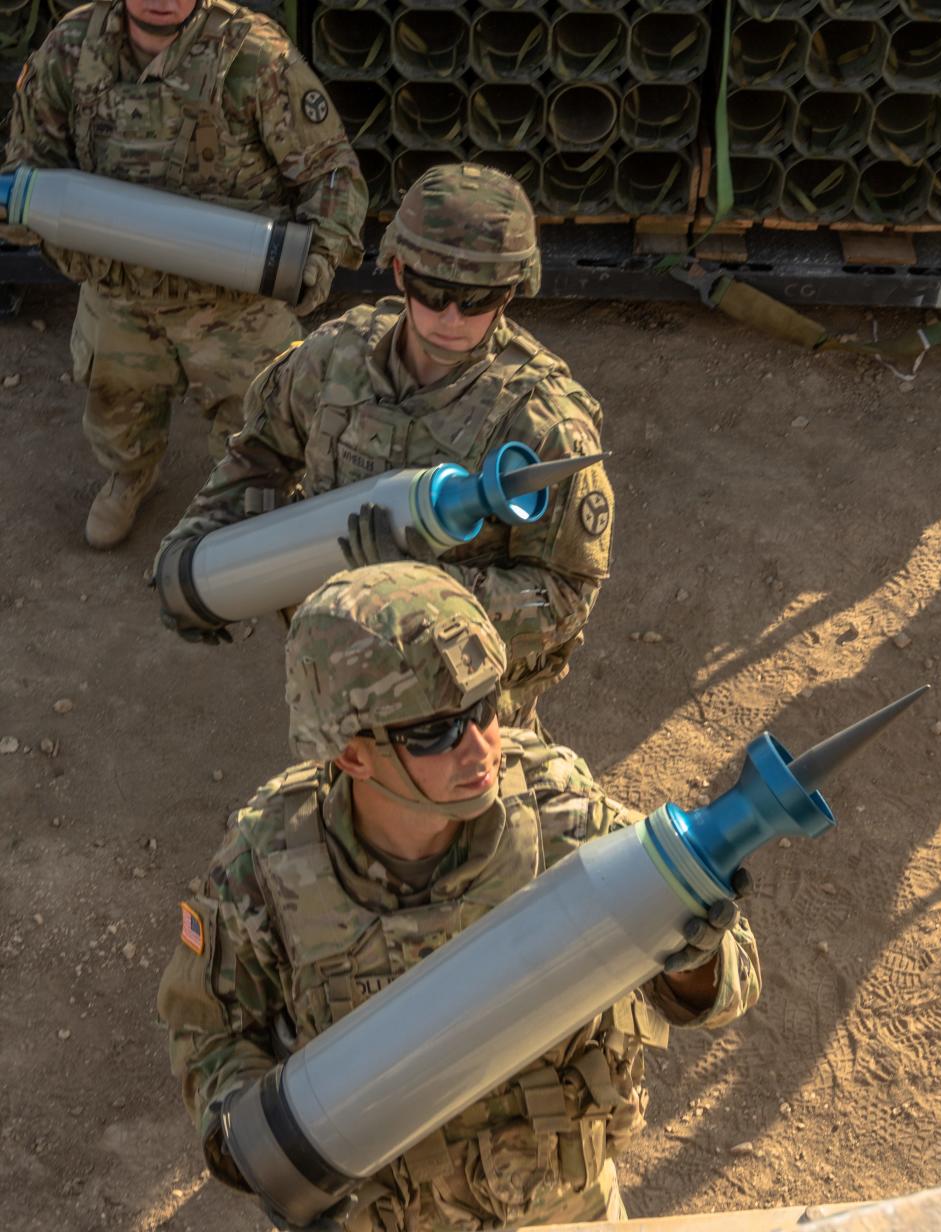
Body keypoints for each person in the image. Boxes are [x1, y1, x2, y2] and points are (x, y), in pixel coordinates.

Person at [158, 561, 761, 1232]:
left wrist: (694, 960)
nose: (480, 747)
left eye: (483, 708)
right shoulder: (265, 866)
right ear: (352, 756)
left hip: (562, 1205)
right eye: (435, 732)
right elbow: (207, 1031)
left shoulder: (558, 809)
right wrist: (273, 1160)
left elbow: (730, 988)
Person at [155, 162, 614, 726]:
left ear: (512, 291)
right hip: (332, 663)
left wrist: (428, 590)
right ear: (398, 270)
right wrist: (197, 547)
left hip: (456, 707)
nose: (452, 317)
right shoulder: (334, 357)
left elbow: (564, 594)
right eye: (433, 290)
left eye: (477, 298)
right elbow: (261, 451)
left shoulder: (543, 426)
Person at [2, 0, 367, 548]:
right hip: (118, 293)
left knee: (264, 417)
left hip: (235, 298)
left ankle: (262, 493)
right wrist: (21, 213)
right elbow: (29, 162)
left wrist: (321, 253)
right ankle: (131, 475)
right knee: (116, 408)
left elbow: (332, 172)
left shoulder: (254, 57)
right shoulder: (71, 49)